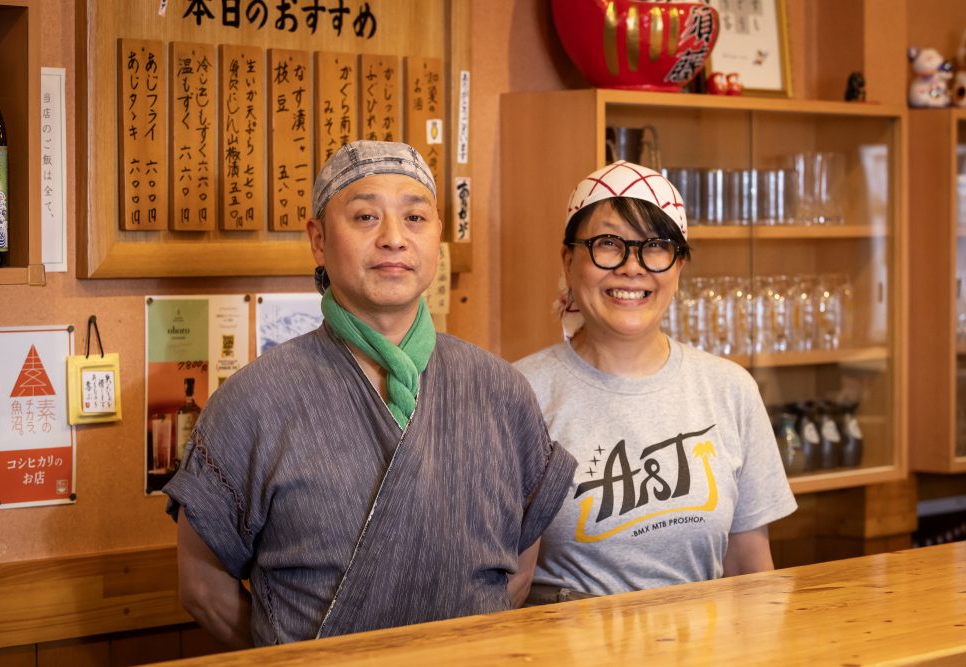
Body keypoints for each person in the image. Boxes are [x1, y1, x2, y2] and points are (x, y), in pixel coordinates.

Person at [164, 141, 577, 646]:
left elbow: (518, 572)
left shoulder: (500, 390)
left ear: (437, 237)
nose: (394, 239)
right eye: (364, 216)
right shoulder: (254, 400)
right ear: (317, 240)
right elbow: (202, 587)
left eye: (416, 218)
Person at [515, 162, 797, 603]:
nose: (632, 268)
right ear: (569, 261)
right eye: (609, 245)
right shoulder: (519, 393)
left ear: (679, 267)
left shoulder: (730, 389)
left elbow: (750, 570)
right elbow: (504, 586)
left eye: (656, 247)